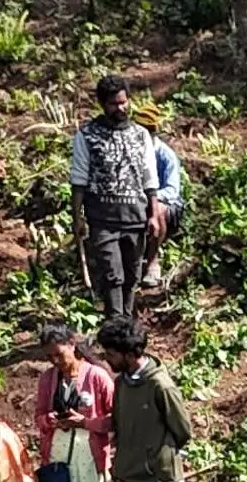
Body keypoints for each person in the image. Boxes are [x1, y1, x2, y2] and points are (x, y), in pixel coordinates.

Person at [69, 74, 184, 328]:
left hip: (135, 216)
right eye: (114, 104)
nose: (120, 108)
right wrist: (77, 218)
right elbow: (78, 179)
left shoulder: (140, 134)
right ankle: (115, 323)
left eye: (124, 102)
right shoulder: (87, 136)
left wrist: (153, 215)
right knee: (112, 274)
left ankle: (127, 324)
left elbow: (149, 178)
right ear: (102, 104)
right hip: (102, 218)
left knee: (132, 274)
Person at [29, 324, 117, 482]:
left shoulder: (97, 376)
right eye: (50, 357)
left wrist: (84, 422)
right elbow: (39, 417)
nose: (56, 361)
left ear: (72, 344)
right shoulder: (48, 379)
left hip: (90, 462)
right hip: (60, 462)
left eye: (59, 354)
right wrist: (51, 419)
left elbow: (114, 419)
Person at [99, 322, 197, 482]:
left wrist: (159, 454)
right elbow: (119, 423)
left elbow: (183, 430)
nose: (107, 360)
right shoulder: (121, 383)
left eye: (111, 354)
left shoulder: (159, 385)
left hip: (161, 481)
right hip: (135, 479)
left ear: (131, 354)